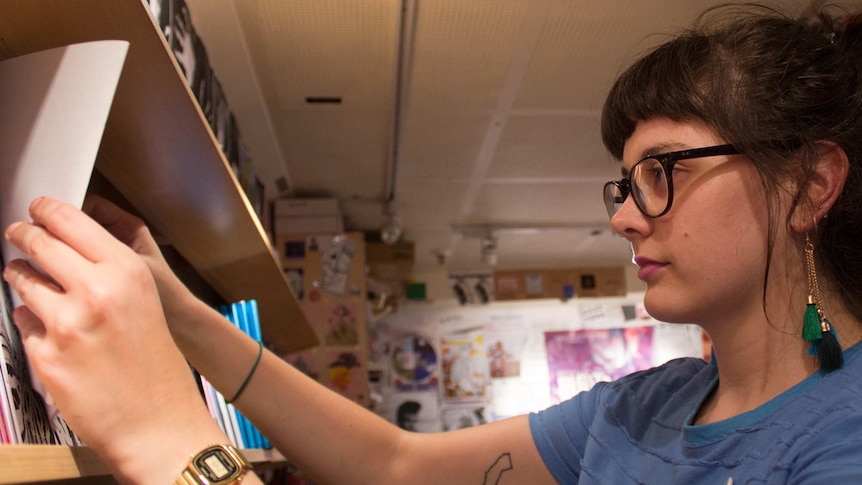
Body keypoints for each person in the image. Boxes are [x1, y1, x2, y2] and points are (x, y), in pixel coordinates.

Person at [4, 3, 862, 484]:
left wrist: (172, 447)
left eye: (663, 171)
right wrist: (184, 318)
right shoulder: (645, 408)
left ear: (811, 184)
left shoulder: (844, 439)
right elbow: (395, 460)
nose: (626, 216)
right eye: (625, 182)